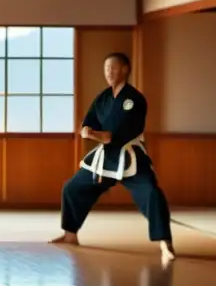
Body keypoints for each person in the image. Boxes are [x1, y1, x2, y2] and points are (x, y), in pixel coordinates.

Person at [52, 51, 176, 263]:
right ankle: (70, 234)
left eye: (114, 68)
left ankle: (165, 242)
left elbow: (112, 136)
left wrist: (93, 134)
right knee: (72, 188)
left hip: (129, 156)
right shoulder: (103, 97)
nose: (109, 72)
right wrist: (88, 130)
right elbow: (89, 121)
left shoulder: (134, 99)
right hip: (104, 156)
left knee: (151, 193)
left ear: (125, 69)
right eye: (106, 68)